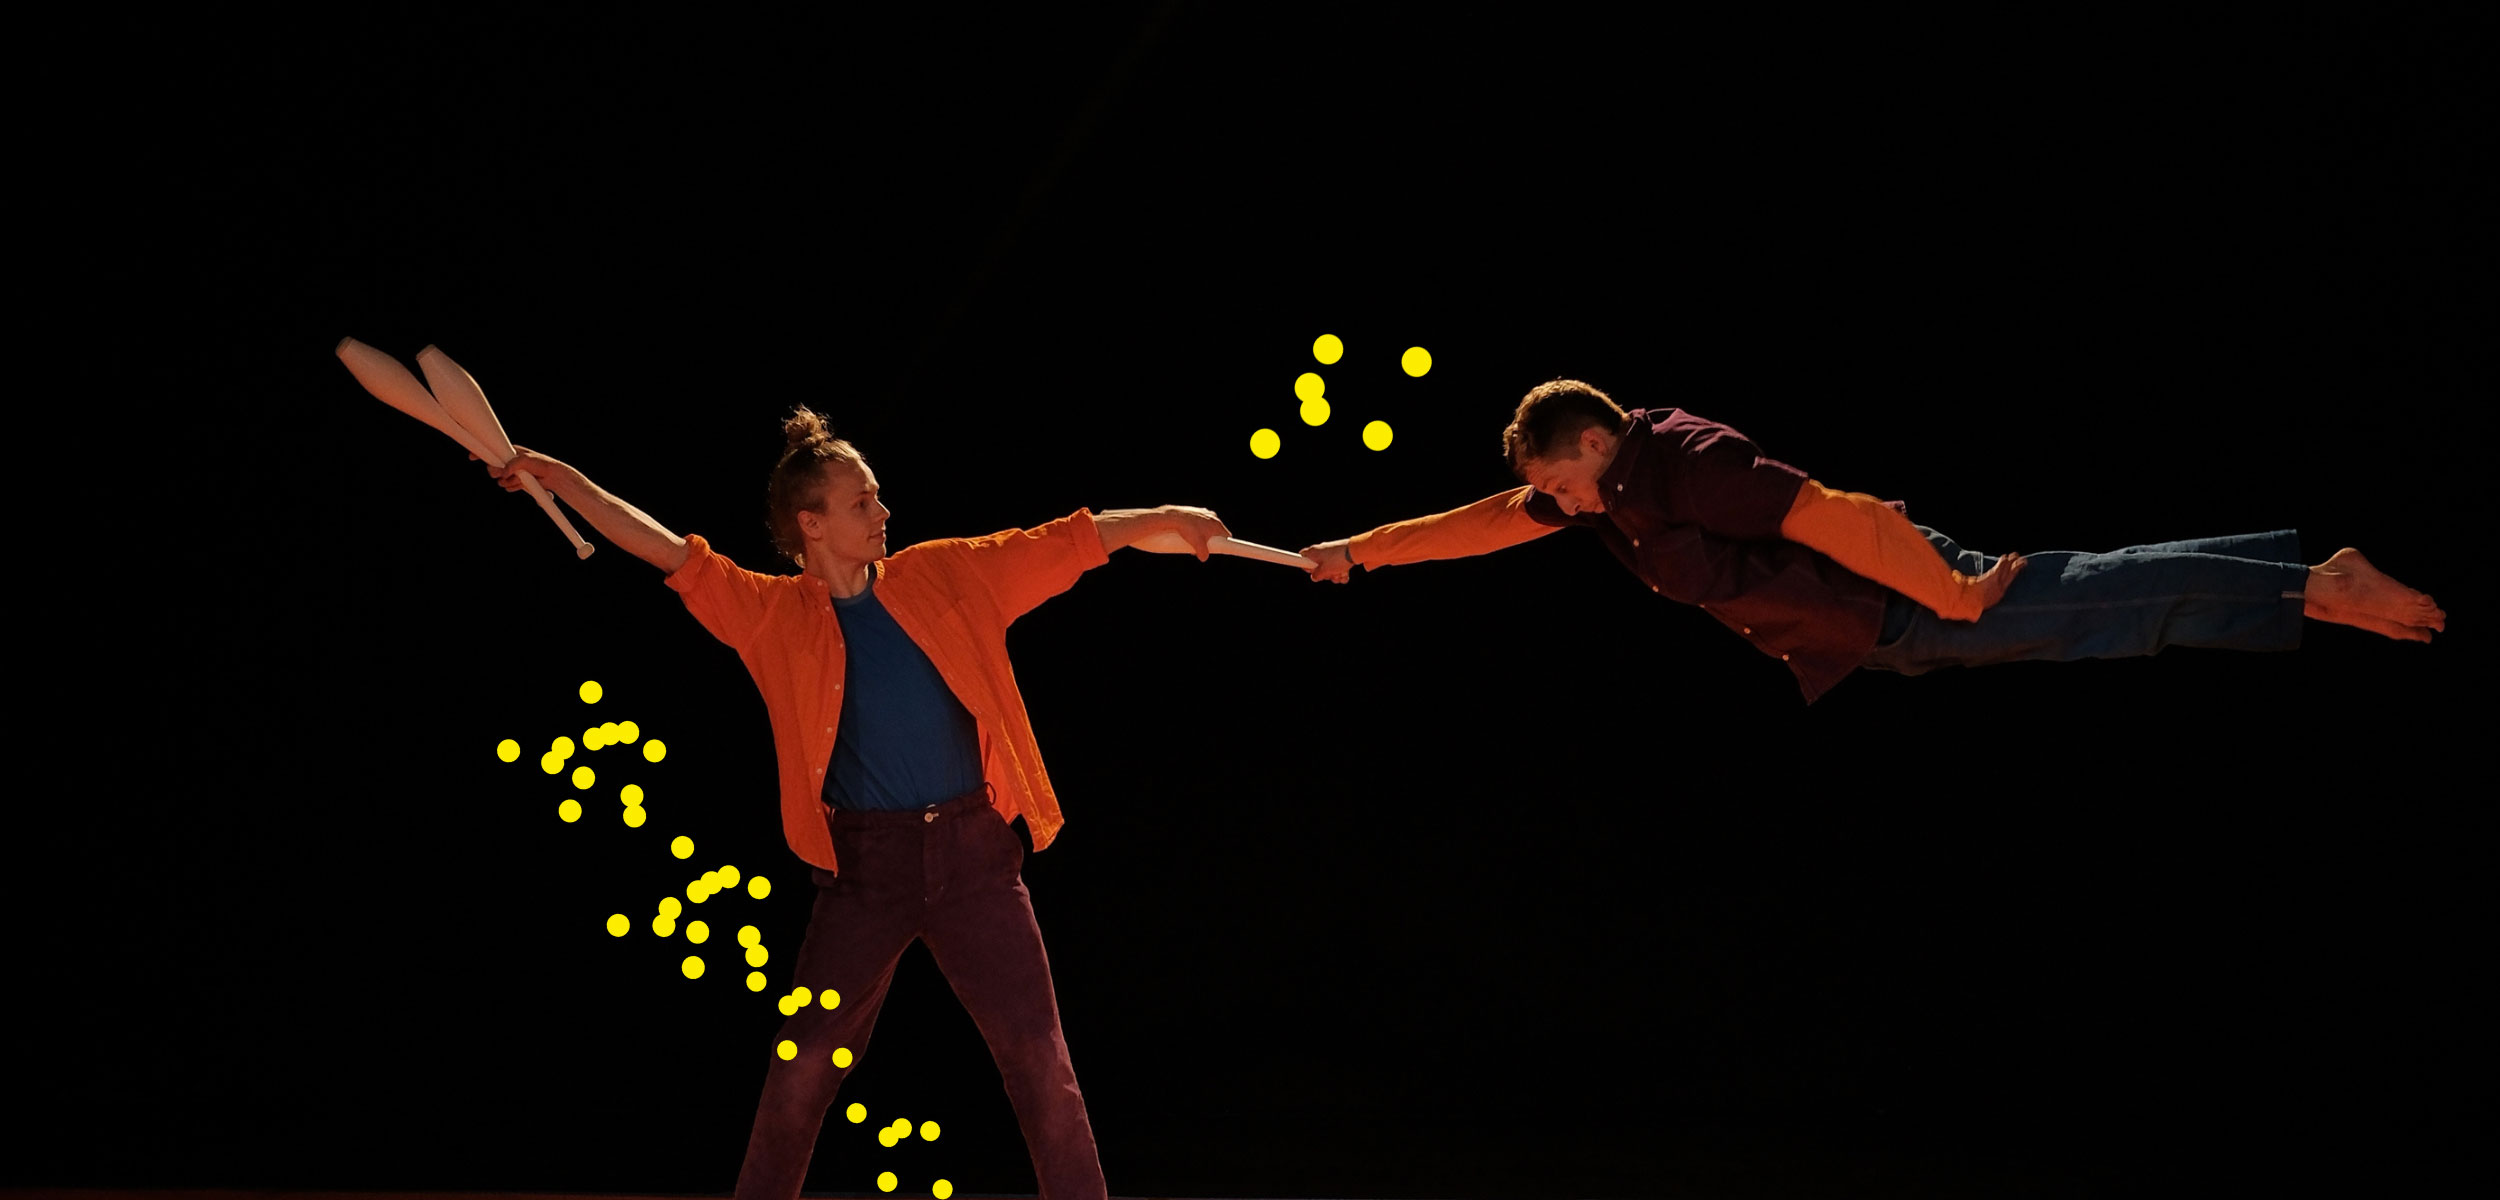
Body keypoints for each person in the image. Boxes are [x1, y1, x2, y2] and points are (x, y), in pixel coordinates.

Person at [483, 408, 1231, 1200]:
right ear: (811, 524)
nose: (883, 512)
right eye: (862, 502)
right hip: (864, 873)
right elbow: (667, 550)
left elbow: (1065, 541)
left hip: (975, 859)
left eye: (876, 497)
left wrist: (1166, 516)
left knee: (1041, 1062)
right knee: (802, 1066)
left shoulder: (944, 573)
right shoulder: (772, 616)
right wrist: (561, 479)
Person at [1296, 380, 2444, 703]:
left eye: (1560, 483)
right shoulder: (1608, 490)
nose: (1559, 506)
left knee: (2094, 599)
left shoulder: (1686, 465)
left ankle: (2309, 584)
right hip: (1885, 627)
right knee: (2099, 617)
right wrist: (1358, 550)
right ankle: (2297, 587)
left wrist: (1947, 591)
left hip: (1904, 596)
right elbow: (1477, 525)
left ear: (1593, 442)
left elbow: (1834, 513)